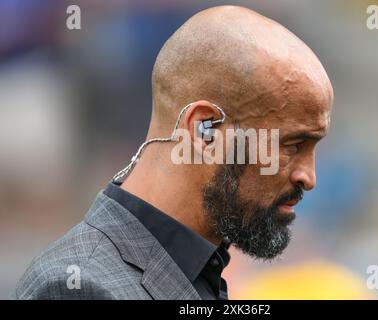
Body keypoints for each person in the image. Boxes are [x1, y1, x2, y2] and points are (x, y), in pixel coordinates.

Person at [15, 5, 333, 300]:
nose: (309, 177)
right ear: (204, 131)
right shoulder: (80, 288)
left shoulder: (199, 271)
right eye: (292, 145)